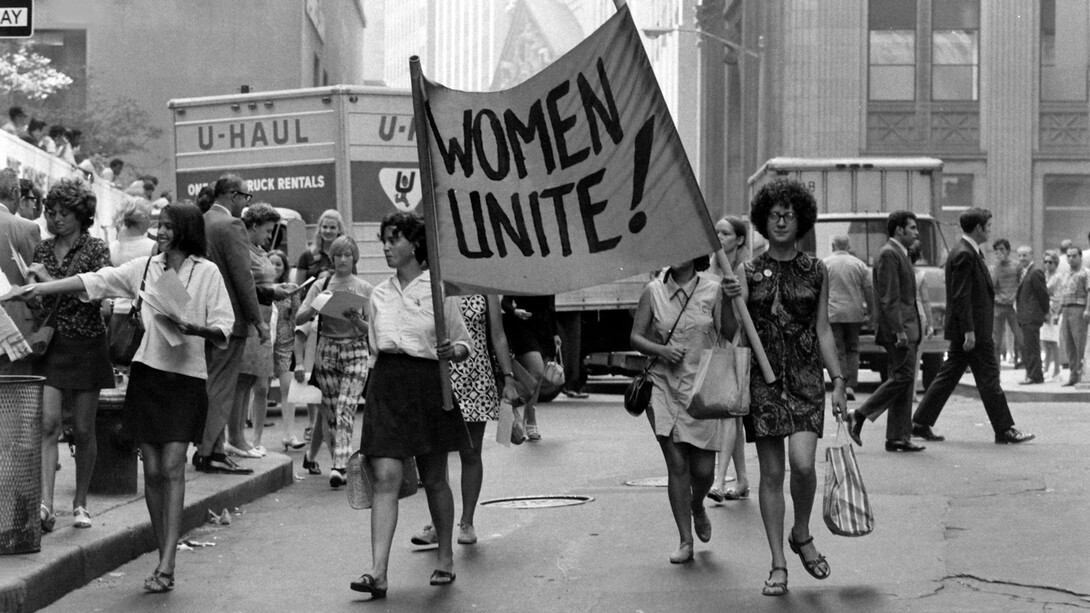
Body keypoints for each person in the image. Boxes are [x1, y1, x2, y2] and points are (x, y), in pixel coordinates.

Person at [16, 201, 233, 593]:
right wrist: (35, 287)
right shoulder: (148, 268)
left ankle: (167, 563)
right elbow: (95, 281)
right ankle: (163, 546)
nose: (161, 233)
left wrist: (194, 327)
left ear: (185, 229)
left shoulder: (208, 273)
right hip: (147, 377)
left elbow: (223, 328)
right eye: (159, 226)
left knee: (172, 466)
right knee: (151, 470)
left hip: (186, 380)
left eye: (167, 226)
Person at [721, 179, 846, 597]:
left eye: (788, 214)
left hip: (808, 379)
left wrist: (840, 381)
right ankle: (778, 562)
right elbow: (726, 330)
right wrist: (727, 299)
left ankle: (802, 532)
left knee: (805, 465)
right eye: (773, 215)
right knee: (772, 474)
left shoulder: (817, 270)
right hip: (765, 382)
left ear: (801, 220)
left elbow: (824, 329)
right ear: (762, 220)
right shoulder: (747, 271)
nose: (780, 221)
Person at [351, 211, 472, 598]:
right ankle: (378, 571)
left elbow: (463, 342)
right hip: (386, 384)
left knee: (434, 477)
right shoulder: (378, 294)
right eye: (383, 239)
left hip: (426, 384)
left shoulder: (437, 290)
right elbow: (373, 345)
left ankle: (445, 558)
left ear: (414, 245)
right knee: (385, 476)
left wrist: (452, 349)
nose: (386, 246)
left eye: (393, 239)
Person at [28, 179, 114, 531]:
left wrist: (47, 279)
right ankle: (46, 504)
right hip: (54, 345)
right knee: (47, 425)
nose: (56, 218)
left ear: (82, 216)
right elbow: (43, 301)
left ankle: (80, 501)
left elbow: (97, 294)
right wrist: (33, 294)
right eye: (51, 212)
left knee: (82, 428)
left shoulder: (96, 248)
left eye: (64, 213)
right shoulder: (43, 249)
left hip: (88, 344)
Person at [910, 208, 1035, 445]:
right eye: (988, 226)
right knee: (988, 378)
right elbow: (961, 295)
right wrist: (969, 330)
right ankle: (1005, 429)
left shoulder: (966, 251)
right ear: (978, 228)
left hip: (970, 330)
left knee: (949, 376)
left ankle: (920, 422)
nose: (990, 230)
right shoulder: (965, 254)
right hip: (973, 331)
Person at [630, 255, 723, 564]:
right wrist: (661, 350)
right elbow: (636, 336)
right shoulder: (652, 291)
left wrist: (736, 301)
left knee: (704, 471)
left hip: (702, 389)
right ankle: (685, 540)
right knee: (677, 465)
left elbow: (727, 333)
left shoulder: (714, 289)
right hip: (662, 386)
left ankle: (697, 505)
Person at [411, 294, 520, 547]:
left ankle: (467, 522)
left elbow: (498, 335)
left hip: (476, 378)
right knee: (436, 455)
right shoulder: (436, 284)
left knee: (470, 452)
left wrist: (509, 377)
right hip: (438, 375)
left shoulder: (484, 288)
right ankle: (438, 525)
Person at [193, 174, 272, 475]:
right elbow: (243, 278)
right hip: (230, 321)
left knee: (210, 384)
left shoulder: (199, 221)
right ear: (232, 195)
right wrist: (258, 321)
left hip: (201, 319)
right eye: (246, 197)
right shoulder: (232, 226)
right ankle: (210, 452)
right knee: (222, 389)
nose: (247, 204)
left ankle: (210, 448)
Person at [296, 235, 372, 486]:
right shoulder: (322, 283)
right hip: (327, 349)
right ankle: (339, 463)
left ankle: (340, 466)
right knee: (331, 413)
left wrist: (355, 319)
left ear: (354, 258)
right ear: (333, 258)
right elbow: (300, 317)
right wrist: (318, 304)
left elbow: (371, 329)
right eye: (338, 255)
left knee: (346, 407)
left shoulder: (363, 288)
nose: (342, 259)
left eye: (348, 255)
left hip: (355, 350)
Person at [845, 211, 925, 452]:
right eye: (912, 228)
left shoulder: (900, 253)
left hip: (906, 329)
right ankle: (859, 414)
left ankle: (898, 437)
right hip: (899, 330)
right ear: (899, 230)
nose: (916, 232)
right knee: (902, 377)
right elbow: (890, 298)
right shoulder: (890, 254)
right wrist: (899, 331)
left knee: (905, 380)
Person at [228, 203, 283, 458]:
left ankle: (240, 437)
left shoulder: (258, 250)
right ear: (254, 226)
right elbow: (246, 286)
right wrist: (273, 291)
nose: (269, 236)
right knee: (242, 378)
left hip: (264, 313)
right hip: (251, 316)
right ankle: (236, 437)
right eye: (267, 230)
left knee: (251, 378)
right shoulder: (244, 251)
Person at [708, 215, 750, 503]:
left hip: (739, 348)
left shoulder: (744, 268)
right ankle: (743, 479)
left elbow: (742, 312)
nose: (720, 237)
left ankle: (720, 481)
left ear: (740, 239)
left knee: (729, 414)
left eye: (725, 233)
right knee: (732, 415)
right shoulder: (712, 268)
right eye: (717, 233)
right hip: (720, 345)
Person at [501, 294, 560, 440]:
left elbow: (551, 307)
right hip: (523, 327)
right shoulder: (519, 274)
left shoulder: (548, 277)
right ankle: (512, 410)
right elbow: (505, 302)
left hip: (544, 330)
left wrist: (555, 333)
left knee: (537, 377)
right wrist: (515, 311)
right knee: (538, 370)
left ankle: (528, 419)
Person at [0, 170, 42, 375]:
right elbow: (36, 280)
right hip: (16, 327)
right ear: (16, 192)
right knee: (14, 401)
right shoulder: (26, 228)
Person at [822, 234, 872, 401]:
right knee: (853, 348)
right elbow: (868, 290)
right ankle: (851, 385)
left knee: (838, 350)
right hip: (854, 314)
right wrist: (871, 312)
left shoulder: (825, 264)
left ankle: (841, 384)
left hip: (833, 313)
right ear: (848, 247)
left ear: (833, 245)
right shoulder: (859, 265)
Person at [107, 198, 156, 366]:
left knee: (121, 359)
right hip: (143, 314)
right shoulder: (152, 247)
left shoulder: (112, 248)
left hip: (118, 312)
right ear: (143, 220)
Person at [267, 249, 306, 451]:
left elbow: (297, 317)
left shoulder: (291, 289)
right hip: (265, 339)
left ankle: (289, 434)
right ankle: (254, 438)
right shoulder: (261, 287)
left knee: (287, 388)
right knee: (260, 389)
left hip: (285, 341)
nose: (274, 267)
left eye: (278, 264)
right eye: (270, 263)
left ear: (284, 268)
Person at [1015, 245, 1049, 385]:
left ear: (1031, 255)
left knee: (1032, 346)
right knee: (1028, 346)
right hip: (1025, 314)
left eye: (1025, 255)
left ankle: (1035, 376)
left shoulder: (1035, 272)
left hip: (1031, 315)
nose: (1022, 258)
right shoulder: (1025, 271)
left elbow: (1043, 294)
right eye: (1020, 255)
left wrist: (1045, 312)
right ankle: (1033, 374)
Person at [1057, 247, 1089, 386]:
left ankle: (1083, 375)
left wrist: (1088, 309)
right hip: (1066, 309)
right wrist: (1058, 311)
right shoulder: (1066, 273)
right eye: (1068, 256)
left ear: (1080, 257)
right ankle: (1073, 375)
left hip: (1078, 308)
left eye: (1074, 256)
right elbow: (1062, 293)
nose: (1071, 258)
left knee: (1079, 343)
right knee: (1068, 344)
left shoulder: (1086, 273)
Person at [991, 239, 1022, 365]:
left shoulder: (1016, 266)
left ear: (1008, 251)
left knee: (1020, 337)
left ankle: (1022, 363)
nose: (999, 252)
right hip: (998, 305)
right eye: (996, 250)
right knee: (995, 341)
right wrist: (996, 268)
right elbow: (992, 286)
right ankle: (995, 370)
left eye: (1001, 249)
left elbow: (1022, 284)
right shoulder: (995, 267)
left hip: (1013, 306)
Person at [1041, 250, 1063, 380]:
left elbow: (1059, 297)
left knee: (1053, 342)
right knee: (1045, 341)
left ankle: (1057, 370)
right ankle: (1046, 369)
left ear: (1056, 263)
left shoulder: (1058, 277)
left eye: (1051, 262)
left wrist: (1053, 313)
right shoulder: (1044, 275)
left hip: (1054, 311)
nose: (1048, 264)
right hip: (1044, 310)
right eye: (1045, 262)